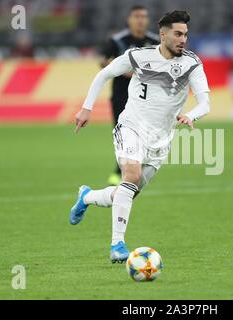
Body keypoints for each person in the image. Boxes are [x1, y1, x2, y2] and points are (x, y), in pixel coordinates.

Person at [70, 10, 211, 263]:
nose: (183, 39)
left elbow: (205, 103)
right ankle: (117, 246)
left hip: (161, 140)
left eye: (186, 35)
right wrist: (86, 108)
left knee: (127, 190)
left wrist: (192, 115)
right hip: (131, 127)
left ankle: (87, 196)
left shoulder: (192, 64)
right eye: (178, 34)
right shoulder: (138, 56)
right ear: (163, 34)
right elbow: (104, 74)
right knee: (131, 177)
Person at [101, 5, 160, 186]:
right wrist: (122, 66)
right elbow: (104, 62)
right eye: (136, 16)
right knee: (123, 134)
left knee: (144, 134)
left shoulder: (155, 41)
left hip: (145, 98)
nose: (140, 20)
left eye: (143, 16)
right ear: (129, 20)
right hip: (121, 96)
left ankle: (131, 169)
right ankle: (121, 171)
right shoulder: (118, 41)